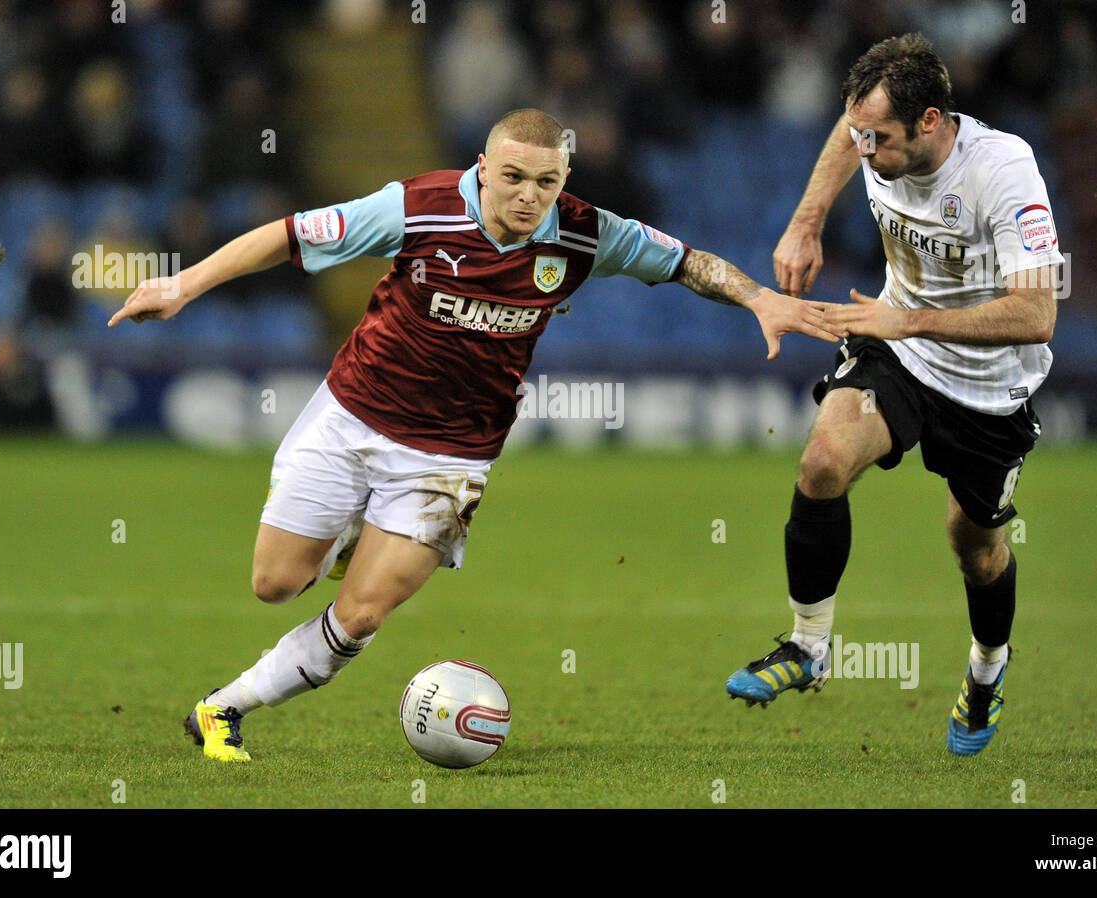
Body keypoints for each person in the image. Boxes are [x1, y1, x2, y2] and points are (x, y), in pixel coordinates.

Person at [109, 108, 844, 762]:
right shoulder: (418, 208)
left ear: (564, 178)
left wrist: (758, 299)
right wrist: (181, 285)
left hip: (449, 457)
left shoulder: (585, 233)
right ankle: (343, 537)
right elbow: (288, 236)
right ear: (484, 169)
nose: (530, 195)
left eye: (547, 181)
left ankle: (223, 708)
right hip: (352, 416)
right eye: (515, 177)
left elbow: (688, 262)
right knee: (274, 584)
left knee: (362, 614)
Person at [724, 35, 1062, 756]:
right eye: (859, 131)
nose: (864, 148)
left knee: (976, 550)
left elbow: (1037, 315)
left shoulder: (1005, 172)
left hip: (989, 389)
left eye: (880, 138)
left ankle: (986, 670)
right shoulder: (872, 134)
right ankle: (808, 649)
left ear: (931, 121)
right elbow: (848, 138)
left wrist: (905, 316)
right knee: (821, 463)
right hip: (896, 352)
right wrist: (806, 221)